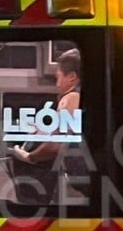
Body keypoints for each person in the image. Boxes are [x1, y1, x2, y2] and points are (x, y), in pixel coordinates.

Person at [10, 48, 87, 199]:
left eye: (58, 77)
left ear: (72, 77)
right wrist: (44, 130)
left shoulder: (71, 97)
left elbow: (56, 145)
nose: (57, 84)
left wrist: (28, 157)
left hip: (80, 182)